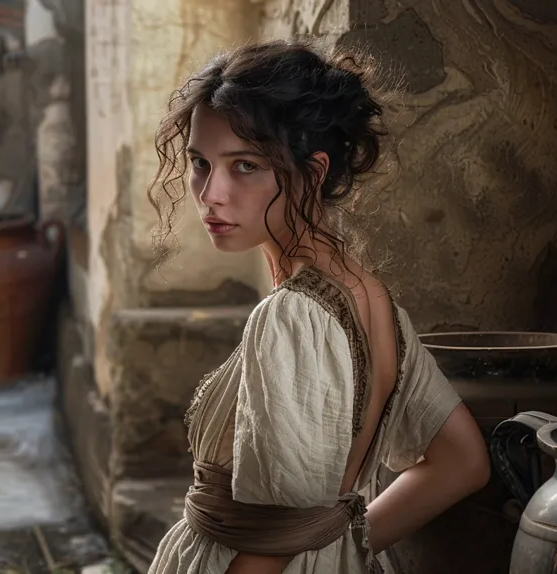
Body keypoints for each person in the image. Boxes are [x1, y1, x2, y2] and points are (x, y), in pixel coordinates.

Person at [145, 39, 490, 574]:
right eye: (200, 163)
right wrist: (338, 547)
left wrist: (314, 543)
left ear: (312, 172)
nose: (210, 193)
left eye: (244, 165)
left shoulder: (293, 316)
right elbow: (462, 462)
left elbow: (271, 544)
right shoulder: (375, 302)